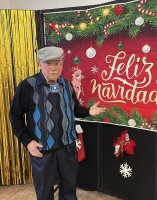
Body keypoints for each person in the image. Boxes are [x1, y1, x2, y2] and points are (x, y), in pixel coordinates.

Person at [9, 46, 106, 200]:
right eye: (49, 63)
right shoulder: (27, 86)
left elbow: (74, 109)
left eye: (57, 63)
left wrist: (88, 112)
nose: (53, 68)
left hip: (67, 147)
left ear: (62, 64)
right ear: (40, 63)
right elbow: (15, 116)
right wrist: (28, 142)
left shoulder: (66, 85)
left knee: (69, 188)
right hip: (42, 149)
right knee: (45, 190)